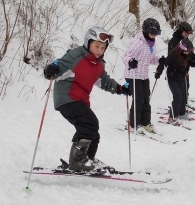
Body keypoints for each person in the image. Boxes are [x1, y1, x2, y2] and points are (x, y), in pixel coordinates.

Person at [43, 26, 131, 172]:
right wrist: (51, 70)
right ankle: (77, 161)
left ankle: (86, 160)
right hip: (67, 98)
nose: (99, 50)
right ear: (87, 42)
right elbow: (59, 67)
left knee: (93, 132)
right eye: (97, 46)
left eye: (103, 48)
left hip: (80, 100)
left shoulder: (98, 65)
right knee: (89, 124)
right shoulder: (76, 56)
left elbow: (104, 81)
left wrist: (120, 89)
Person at [123, 18, 161, 134]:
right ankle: (134, 123)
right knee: (138, 99)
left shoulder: (152, 43)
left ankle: (145, 122)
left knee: (146, 99)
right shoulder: (138, 42)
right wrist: (130, 61)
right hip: (132, 74)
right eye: (151, 33)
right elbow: (126, 56)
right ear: (145, 31)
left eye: (155, 34)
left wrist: (160, 60)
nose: (153, 35)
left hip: (143, 75)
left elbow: (151, 59)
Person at [156, 39, 195, 124]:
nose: (189, 51)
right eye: (188, 49)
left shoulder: (186, 54)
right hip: (172, 78)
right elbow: (164, 63)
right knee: (178, 96)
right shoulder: (173, 55)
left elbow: (189, 61)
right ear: (183, 48)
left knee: (183, 95)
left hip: (181, 77)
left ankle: (181, 113)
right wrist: (158, 72)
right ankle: (172, 116)